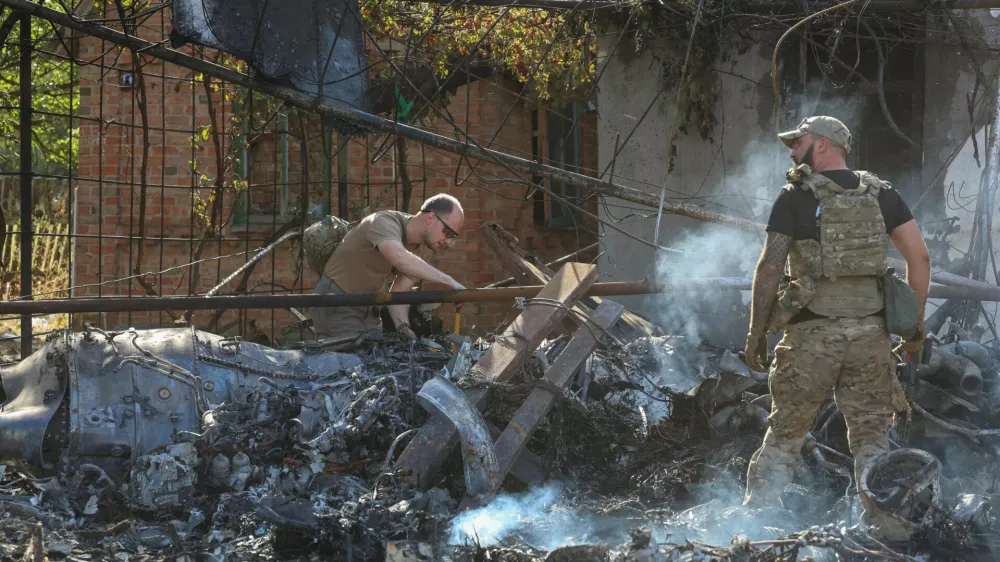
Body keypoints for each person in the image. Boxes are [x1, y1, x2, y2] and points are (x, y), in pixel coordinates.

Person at [741, 116, 931, 517]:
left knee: (785, 435)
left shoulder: (794, 196)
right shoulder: (883, 196)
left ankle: (755, 526)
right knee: (872, 440)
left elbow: (770, 268)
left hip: (810, 341)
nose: (792, 152)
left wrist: (756, 333)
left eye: (799, 143)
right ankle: (883, 528)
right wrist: (913, 330)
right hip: (871, 339)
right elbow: (920, 259)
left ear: (823, 145)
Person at [312, 194, 467, 340]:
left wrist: (404, 329)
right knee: (349, 358)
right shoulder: (383, 222)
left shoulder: (424, 249)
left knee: (379, 355)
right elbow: (399, 257)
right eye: (447, 232)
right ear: (430, 218)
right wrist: (449, 281)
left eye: (453, 236)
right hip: (338, 301)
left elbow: (399, 292)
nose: (448, 241)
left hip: (369, 307)